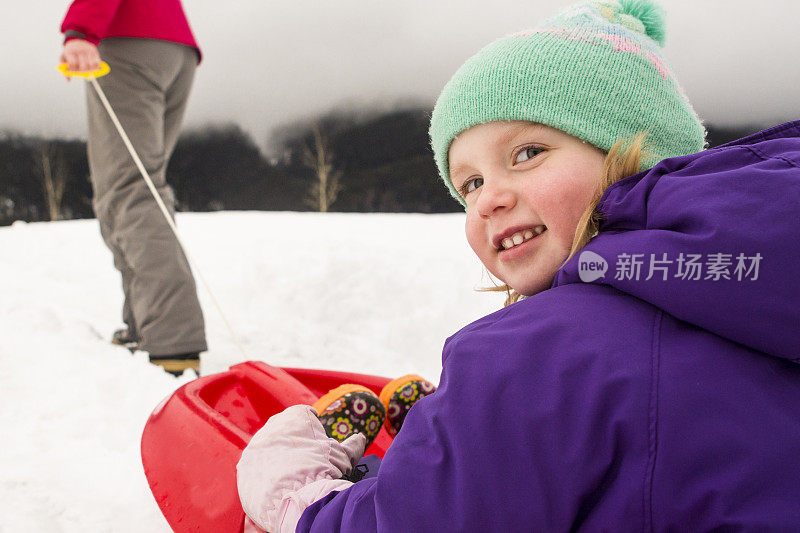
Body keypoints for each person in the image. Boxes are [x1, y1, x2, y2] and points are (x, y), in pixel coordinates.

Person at [236, 0, 800, 530]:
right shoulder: (756, 286)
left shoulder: (538, 356)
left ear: (635, 151)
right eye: (470, 183)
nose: (487, 199)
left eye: (526, 154)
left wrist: (298, 500)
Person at [59, 0, 207, 375]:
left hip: (127, 44)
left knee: (130, 191)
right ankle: (146, 325)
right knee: (141, 188)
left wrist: (80, 30)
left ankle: (173, 340)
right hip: (176, 48)